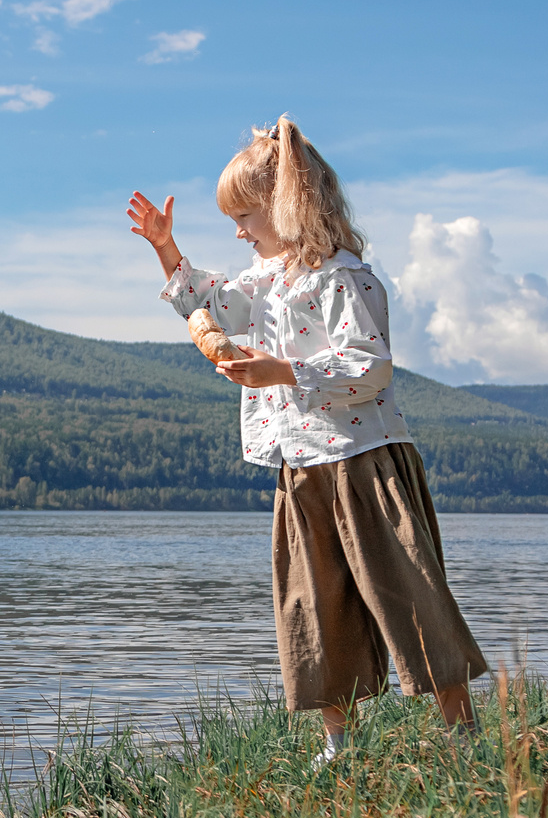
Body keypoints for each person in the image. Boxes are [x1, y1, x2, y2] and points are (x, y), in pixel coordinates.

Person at [127, 117, 486, 763]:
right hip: (300, 466)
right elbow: (206, 301)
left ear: (287, 205)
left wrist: (282, 370)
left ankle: (461, 731)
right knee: (312, 603)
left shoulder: (345, 279)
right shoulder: (264, 281)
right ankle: (337, 742)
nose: (238, 232)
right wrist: (166, 249)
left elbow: (370, 369)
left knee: (408, 589)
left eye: (245, 216)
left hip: (364, 461)